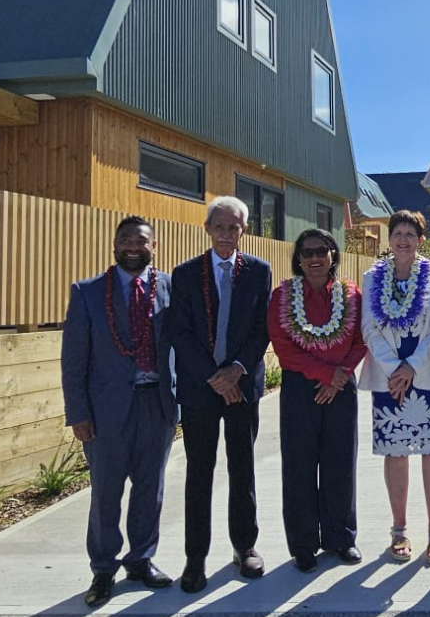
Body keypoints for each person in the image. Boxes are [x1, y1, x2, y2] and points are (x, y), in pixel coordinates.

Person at [61, 216, 178, 607]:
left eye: (141, 240)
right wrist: (78, 412)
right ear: (114, 244)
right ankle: (103, 569)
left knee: (150, 489)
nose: (133, 246)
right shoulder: (88, 292)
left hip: (156, 406)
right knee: (106, 493)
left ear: (153, 246)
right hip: (106, 411)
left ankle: (141, 560)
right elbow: (74, 359)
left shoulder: (169, 289)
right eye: (125, 239)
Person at [166, 196, 272, 593]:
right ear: (208, 229)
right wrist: (215, 377)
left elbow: (262, 329)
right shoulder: (186, 273)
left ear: (244, 231)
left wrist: (236, 372)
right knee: (199, 473)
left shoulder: (259, 271)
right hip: (200, 389)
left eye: (235, 227)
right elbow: (180, 331)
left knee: (242, 469)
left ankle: (245, 546)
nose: (227, 234)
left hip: (242, 388)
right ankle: (195, 558)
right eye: (221, 227)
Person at [268, 228, 368, 573]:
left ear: (332, 256)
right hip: (301, 389)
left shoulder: (351, 294)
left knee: (340, 463)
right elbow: (283, 346)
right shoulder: (282, 295)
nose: (314, 258)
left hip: (342, 387)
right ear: (298, 259)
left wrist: (340, 374)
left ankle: (341, 538)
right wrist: (326, 375)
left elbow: (362, 338)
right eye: (307, 252)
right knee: (299, 466)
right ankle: (304, 545)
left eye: (321, 251)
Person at [357, 210, 430, 565]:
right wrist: (395, 368)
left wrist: (412, 367)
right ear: (388, 239)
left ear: (420, 240)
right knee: (396, 452)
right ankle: (399, 528)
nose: (402, 240)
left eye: (409, 234)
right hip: (388, 379)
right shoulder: (373, 277)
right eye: (396, 233)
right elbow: (368, 327)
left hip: (428, 376)